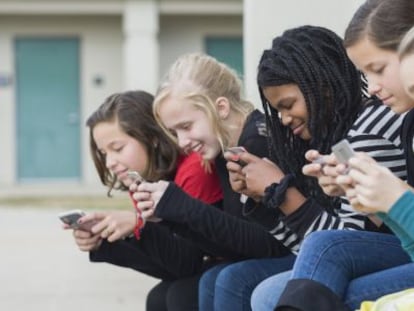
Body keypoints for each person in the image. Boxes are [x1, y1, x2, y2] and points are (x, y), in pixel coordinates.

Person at [202, 24, 407, 311]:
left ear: (321, 85)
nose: (284, 119)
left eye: (288, 105)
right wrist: (265, 200)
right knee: (249, 284)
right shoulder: (337, 135)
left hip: (401, 249)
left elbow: (340, 244)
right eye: (278, 110)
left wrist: (284, 194)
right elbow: (310, 254)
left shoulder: (368, 131)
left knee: (270, 293)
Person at [271, 1, 414, 310]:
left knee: (276, 292)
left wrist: (286, 199)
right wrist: (373, 197)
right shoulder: (406, 123)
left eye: (377, 69)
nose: (372, 87)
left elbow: (340, 240)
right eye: (365, 73)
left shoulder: (374, 127)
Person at [129, 53, 293, 309]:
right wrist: (170, 216)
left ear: (221, 108)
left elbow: (269, 243)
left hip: (297, 251)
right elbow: (234, 242)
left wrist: (182, 207)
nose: (182, 142)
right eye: (175, 132)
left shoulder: (256, 142)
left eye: (187, 126)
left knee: (227, 278)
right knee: (200, 282)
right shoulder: (222, 148)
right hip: (274, 252)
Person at [66, 90, 223, 311]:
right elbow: (167, 266)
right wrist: (104, 242)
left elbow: (188, 263)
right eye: (103, 153)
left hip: (233, 261)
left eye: (117, 148)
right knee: (158, 297)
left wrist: (137, 226)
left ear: (152, 138)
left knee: (179, 296)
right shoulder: (141, 180)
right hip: (200, 266)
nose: (110, 162)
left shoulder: (194, 169)